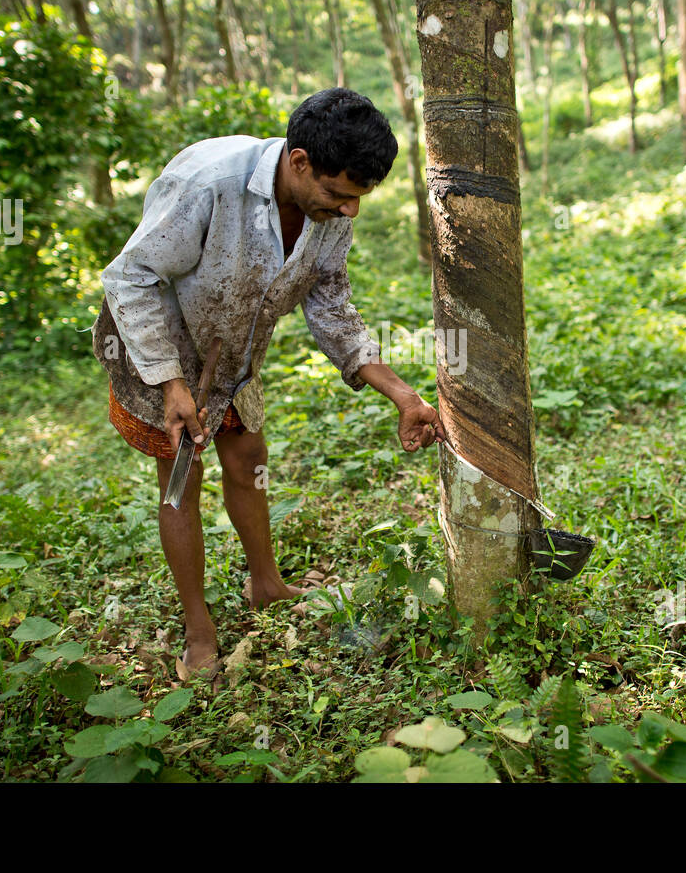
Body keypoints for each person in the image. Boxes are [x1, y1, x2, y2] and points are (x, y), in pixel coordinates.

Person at [91, 88, 445, 680]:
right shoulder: (209, 182)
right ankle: (198, 627)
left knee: (248, 453)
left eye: (359, 199)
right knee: (180, 473)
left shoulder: (328, 215)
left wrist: (404, 396)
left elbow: (332, 310)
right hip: (158, 344)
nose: (349, 211)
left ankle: (266, 583)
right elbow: (131, 277)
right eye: (338, 195)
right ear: (299, 161)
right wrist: (172, 385)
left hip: (234, 351)